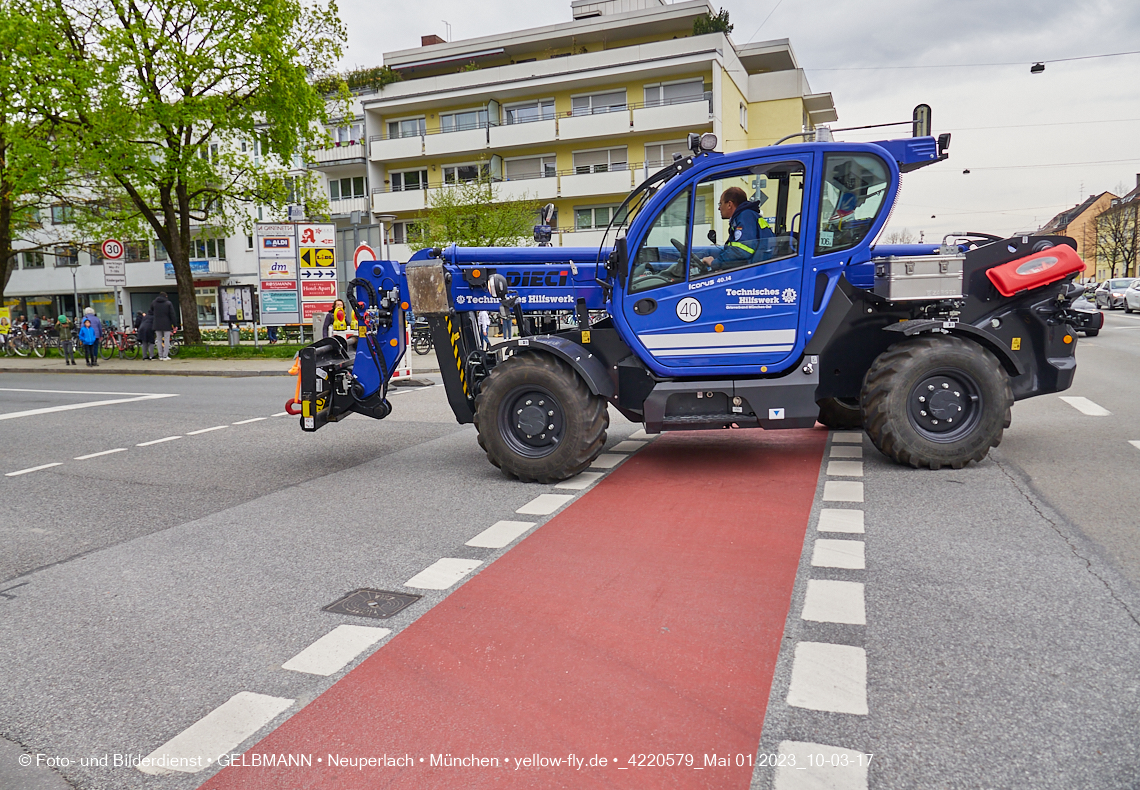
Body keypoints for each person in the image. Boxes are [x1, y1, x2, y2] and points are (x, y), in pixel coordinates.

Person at [700, 187, 771, 272]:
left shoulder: (745, 216)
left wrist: (715, 263)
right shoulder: (744, 216)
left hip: (755, 272)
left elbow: (742, 251)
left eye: (720, 204)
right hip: (757, 269)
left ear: (729, 204)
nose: (719, 208)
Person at [149, 292, 176, 360]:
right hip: (166, 324)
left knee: (159, 340)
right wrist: (174, 324)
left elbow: (151, 311)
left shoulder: (154, 303)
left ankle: (160, 356)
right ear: (166, 296)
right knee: (166, 340)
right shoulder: (168, 303)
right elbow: (172, 314)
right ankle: (165, 355)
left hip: (157, 324)